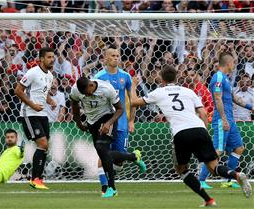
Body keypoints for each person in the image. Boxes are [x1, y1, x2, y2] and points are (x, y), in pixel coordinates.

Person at [131, 65, 252, 207]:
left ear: (162, 79)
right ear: (176, 78)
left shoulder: (159, 92)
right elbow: (204, 113)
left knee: (181, 170)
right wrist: (204, 131)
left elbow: (134, 102)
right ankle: (236, 175)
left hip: (181, 133)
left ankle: (209, 200)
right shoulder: (188, 91)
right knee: (214, 168)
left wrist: (133, 85)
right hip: (200, 129)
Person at [70, 76, 144, 198]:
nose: (86, 96)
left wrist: (109, 123)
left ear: (91, 86)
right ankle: (133, 157)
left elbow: (120, 109)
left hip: (108, 117)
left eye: (87, 93)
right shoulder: (75, 90)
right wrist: (78, 123)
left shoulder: (106, 89)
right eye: (83, 95)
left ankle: (111, 188)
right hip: (92, 122)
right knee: (104, 154)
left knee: (101, 149)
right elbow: (74, 105)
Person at [94, 45, 145, 194]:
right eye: (112, 55)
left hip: (121, 121)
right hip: (105, 121)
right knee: (103, 155)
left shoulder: (125, 76)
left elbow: (132, 100)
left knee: (118, 160)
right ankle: (106, 188)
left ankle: (132, 157)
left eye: (117, 55)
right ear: (105, 58)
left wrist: (131, 121)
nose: (116, 58)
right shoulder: (99, 77)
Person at [199, 52, 254, 189]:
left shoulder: (226, 79)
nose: (234, 65)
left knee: (239, 148)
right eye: (233, 63)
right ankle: (201, 180)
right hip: (221, 120)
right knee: (218, 150)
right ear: (229, 63)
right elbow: (217, 98)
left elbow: (234, 98)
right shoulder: (218, 77)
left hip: (231, 120)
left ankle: (228, 180)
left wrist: (251, 107)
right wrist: (223, 119)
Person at [14, 47, 56, 190]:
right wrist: (32, 104)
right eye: (49, 57)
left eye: (53, 57)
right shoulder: (32, 72)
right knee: (43, 144)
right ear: (41, 59)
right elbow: (18, 90)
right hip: (29, 113)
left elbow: (43, 92)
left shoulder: (50, 75)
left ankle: (38, 179)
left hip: (42, 114)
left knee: (44, 146)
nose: (52, 60)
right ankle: (35, 179)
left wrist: (50, 101)